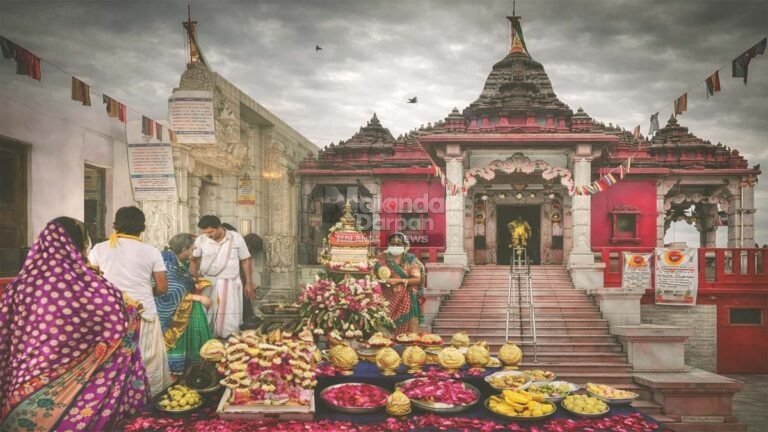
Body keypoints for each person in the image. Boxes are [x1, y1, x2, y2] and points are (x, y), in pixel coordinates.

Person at [0, 217, 149, 431]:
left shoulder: (19, 286)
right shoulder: (92, 287)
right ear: (79, 246)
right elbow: (120, 323)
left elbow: (4, 334)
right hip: (78, 392)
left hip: (26, 381)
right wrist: (132, 312)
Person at [88, 206, 171, 396]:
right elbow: (163, 287)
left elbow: (92, 281)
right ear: (142, 228)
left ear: (115, 226)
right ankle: (149, 396)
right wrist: (143, 294)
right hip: (144, 313)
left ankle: (115, 397)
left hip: (111, 313)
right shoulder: (151, 251)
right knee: (147, 356)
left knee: (113, 357)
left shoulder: (99, 249)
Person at [155, 233, 212, 375]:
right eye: (192, 249)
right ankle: (176, 373)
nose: (193, 252)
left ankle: (190, 371)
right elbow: (171, 291)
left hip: (185, 308)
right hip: (172, 316)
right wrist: (197, 298)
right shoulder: (167, 263)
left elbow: (183, 280)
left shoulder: (175, 261)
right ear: (184, 249)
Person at [189, 215, 254, 338]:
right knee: (206, 313)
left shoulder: (236, 238)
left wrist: (249, 283)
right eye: (206, 232)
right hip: (208, 282)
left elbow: (246, 260)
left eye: (211, 231)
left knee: (229, 317)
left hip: (231, 282)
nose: (209, 235)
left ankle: (229, 341)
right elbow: (194, 260)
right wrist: (193, 279)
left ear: (219, 227)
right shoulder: (201, 240)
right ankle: (207, 340)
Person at [374, 232, 426, 335]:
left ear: (405, 245)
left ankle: (408, 345)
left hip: (406, 296)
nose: (395, 246)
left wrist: (399, 281)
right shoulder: (382, 258)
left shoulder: (410, 259)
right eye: (392, 244)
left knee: (409, 331)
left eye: (398, 244)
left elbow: (417, 279)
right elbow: (375, 275)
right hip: (386, 296)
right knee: (384, 327)